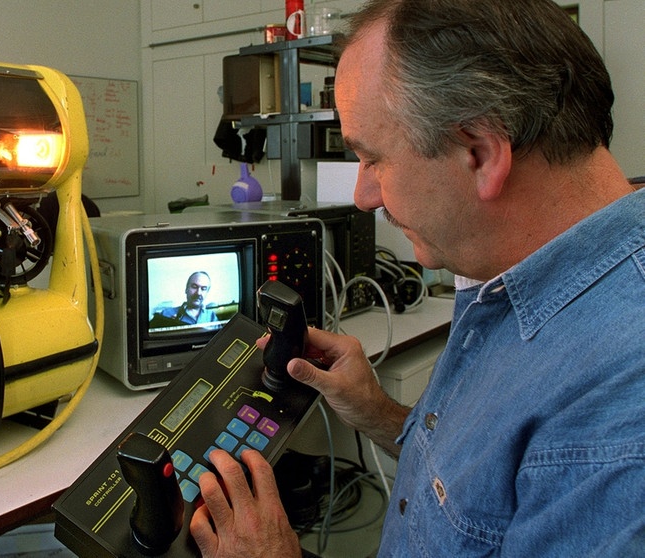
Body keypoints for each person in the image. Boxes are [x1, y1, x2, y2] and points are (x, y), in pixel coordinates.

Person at [189, 1, 645, 556]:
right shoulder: (512, 273)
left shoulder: (619, 427)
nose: (363, 197)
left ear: (480, 153)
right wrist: (378, 413)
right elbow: (483, 488)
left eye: (372, 159)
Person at [154, 271, 219, 325]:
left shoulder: (212, 317)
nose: (198, 293)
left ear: (207, 292)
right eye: (194, 287)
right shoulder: (166, 313)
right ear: (186, 289)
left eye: (203, 289)